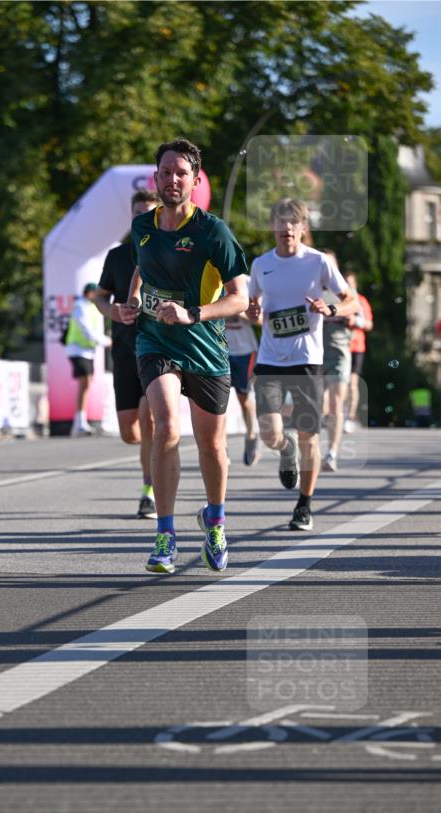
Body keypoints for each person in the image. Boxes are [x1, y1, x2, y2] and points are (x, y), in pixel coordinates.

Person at [126, 137, 249, 574]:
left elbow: (240, 298)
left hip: (205, 346)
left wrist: (192, 313)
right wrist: (131, 302)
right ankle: (165, 534)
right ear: (155, 178)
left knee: (212, 445)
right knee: (162, 427)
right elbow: (142, 266)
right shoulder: (142, 226)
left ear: (195, 181)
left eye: (181, 173)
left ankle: (215, 521)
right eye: (165, 172)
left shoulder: (213, 232)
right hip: (155, 342)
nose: (172, 179)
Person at [247, 199, 357, 531]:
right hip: (269, 359)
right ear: (273, 227)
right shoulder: (260, 264)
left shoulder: (318, 262)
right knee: (269, 433)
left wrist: (331, 309)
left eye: (293, 223)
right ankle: (284, 448)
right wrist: (252, 313)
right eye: (280, 223)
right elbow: (252, 305)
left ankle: (304, 505)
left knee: (310, 436)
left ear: (303, 228)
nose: (287, 229)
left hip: (307, 361)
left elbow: (350, 301)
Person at [95, 189, 159, 518]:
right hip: (123, 351)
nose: (142, 219)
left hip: (158, 351)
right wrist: (113, 311)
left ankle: (148, 491)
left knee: (150, 422)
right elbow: (100, 296)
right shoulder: (118, 256)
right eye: (137, 214)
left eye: (148, 214)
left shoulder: (168, 253)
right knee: (130, 433)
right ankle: (156, 455)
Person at [320, 249, 354, 471]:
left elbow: (355, 315)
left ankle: (331, 452)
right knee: (314, 405)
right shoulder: (311, 288)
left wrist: (333, 311)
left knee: (335, 403)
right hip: (314, 349)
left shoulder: (345, 291)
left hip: (339, 349)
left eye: (330, 265)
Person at [64, 282, 111, 436]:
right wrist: (106, 341)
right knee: (85, 382)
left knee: (87, 383)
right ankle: (79, 422)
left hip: (88, 351)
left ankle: (79, 421)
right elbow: (86, 330)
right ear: (90, 293)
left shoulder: (91, 308)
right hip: (77, 350)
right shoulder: (80, 306)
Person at [225, 311, 260, 465]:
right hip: (221, 350)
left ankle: (251, 435)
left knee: (244, 398)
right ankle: (221, 447)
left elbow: (263, 320)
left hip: (245, 352)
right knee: (219, 403)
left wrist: (241, 311)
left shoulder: (252, 288)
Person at [344, 271, 373, 433]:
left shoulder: (361, 301)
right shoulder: (336, 300)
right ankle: (338, 414)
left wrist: (356, 321)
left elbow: (369, 324)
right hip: (339, 346)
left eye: (351, 283)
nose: (348, 286)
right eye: (345, 283)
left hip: (356, 347)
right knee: (338, 383)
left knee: (352, 383)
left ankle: (350, 416)